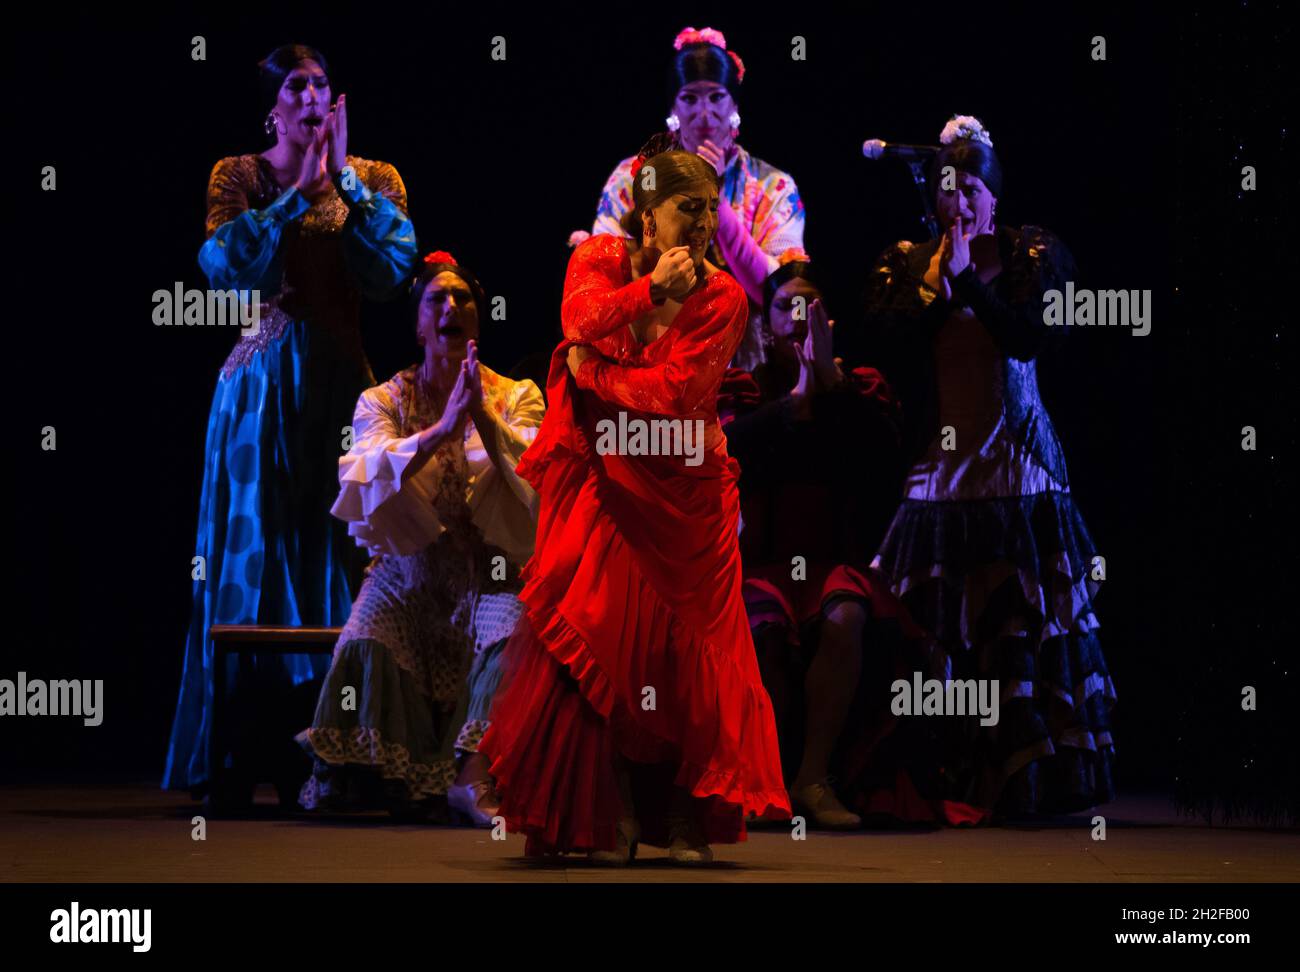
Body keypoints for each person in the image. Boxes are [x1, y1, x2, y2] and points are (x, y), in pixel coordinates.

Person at [481, 140, 790, 864]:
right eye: (689, 209)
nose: (705, 224)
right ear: (646, 219)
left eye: (713, 209)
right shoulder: (599, 261)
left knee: (685, 659)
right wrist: (649, 292)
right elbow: (578, 322)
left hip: (687, 494)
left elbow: (675, 396)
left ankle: (684, 815)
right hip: (607, 484)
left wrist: (591, 380)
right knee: (603, 641)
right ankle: (612, 805)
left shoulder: (724, 297)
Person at [164, 44, 418, 798]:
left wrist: (340, 184)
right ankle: (241, 754)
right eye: (296, 87)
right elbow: (223, 270)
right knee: (254, 562)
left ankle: (343, 753)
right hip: (257, 397)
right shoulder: (240, 175)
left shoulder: (375, 180)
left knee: (343, 558)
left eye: (322, 86)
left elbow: (392, 271)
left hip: (345, 390)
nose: (311, 97)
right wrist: (294, 194)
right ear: (274, 107)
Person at [865, 115, 1116, 817]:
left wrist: (969, 283)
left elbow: (1030, 337)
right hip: (936, 481)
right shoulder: (905, 263)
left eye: (971, 186)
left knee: (1017, 627)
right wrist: (936, 289)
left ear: (992, 198)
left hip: (1020, 476)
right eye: (948, 189)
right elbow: (886, 347)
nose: (959, 201)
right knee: (940, 631)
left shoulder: (1032, 254)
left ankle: (1028, 777)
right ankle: (946, 775)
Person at [297, 253, 543, 820]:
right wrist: (439, 431)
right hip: (409, 578)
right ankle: (374, 776)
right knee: (366, 628)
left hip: (488, 575)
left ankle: (472, 777)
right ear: (418, 325)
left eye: (463, 299)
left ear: (478, 321)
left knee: (516, 631)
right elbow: (368, 471)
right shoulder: (382, 401)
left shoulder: (518, 396)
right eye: (437, 298)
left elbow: (535, 472)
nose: (451, 307)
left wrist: (481, 416)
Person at [582, 26, 805, 370]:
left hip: (745, 367)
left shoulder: (772, 186)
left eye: (716, 97)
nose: (704, 114)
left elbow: (777, 293)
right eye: (689, 98)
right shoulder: (633, 178)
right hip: (648, 358)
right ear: (673, 108)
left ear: (735, 106)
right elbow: (600, 278)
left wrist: (713, 199)